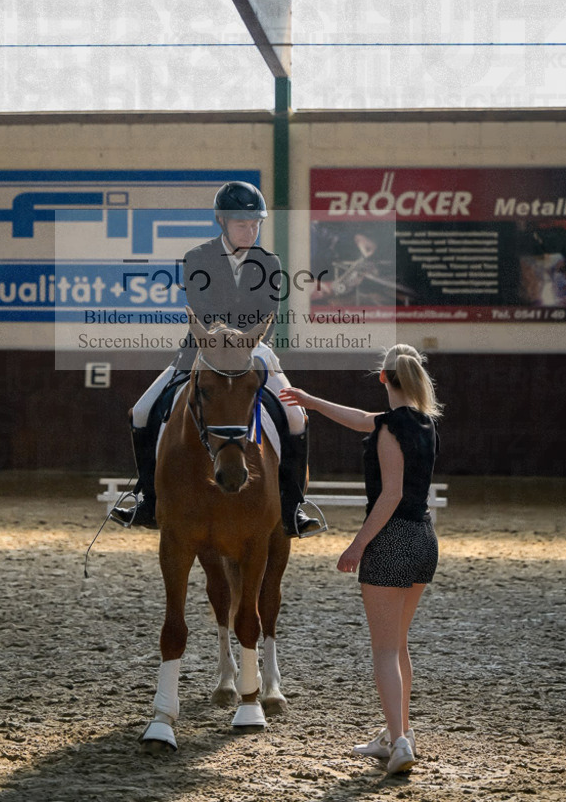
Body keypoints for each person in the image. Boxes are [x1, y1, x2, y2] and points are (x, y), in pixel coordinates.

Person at [112, 180, 324, 538]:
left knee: (296, 417)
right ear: (222, 222)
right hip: (201, 351)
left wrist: (244, 343)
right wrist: (221, 340)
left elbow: (267, 314)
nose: (251, 230)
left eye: (256, 223)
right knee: (141, 411)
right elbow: (203, 310)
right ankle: (148, 500)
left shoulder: (269, 262)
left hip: (252, 353)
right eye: (243, 224)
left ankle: (293, 506)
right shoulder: (198, 258)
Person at [279, 344, 442, 774]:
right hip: (425, 539)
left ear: (384, 378)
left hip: (391, 540)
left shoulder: (390, 428)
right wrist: (310, 401)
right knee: (399, 646)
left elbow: (389, 495)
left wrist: (357, 545)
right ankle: (395, 734)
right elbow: (359, 418)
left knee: (385, 650)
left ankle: (401, 741)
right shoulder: (425, 424)